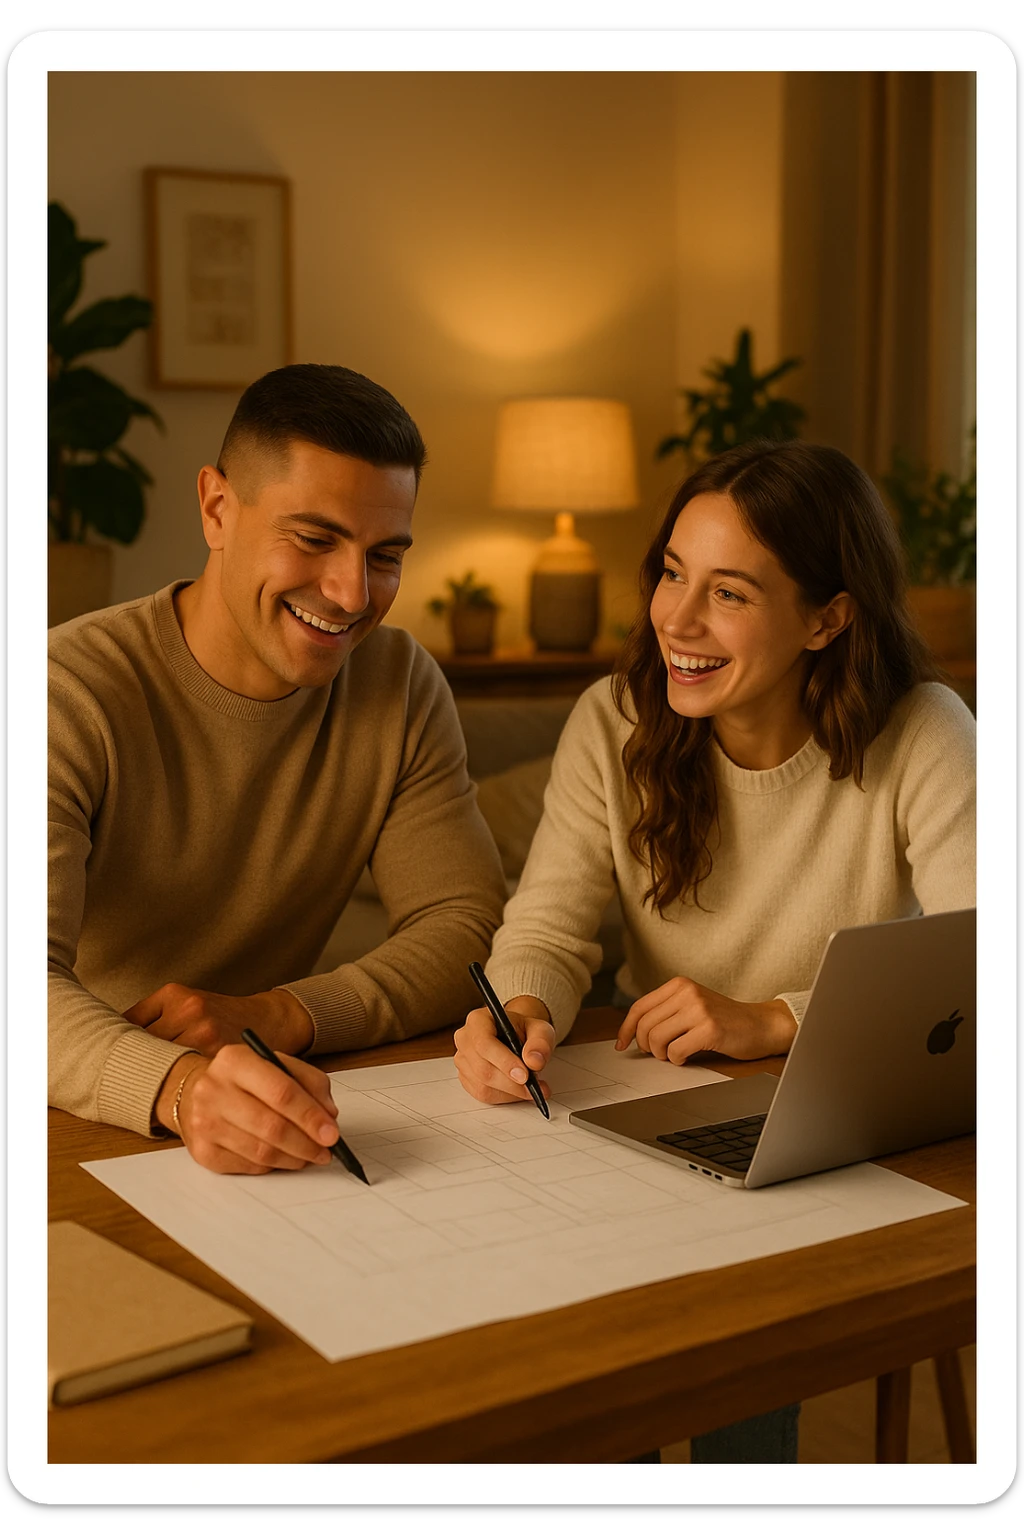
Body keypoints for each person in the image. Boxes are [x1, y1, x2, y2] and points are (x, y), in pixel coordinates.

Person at [452, 436, 976, 1462]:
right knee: (583, 1364)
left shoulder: (920, 731)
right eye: (671, 573)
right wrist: (519, 1009)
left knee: (734, 1358)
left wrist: (774, 1017)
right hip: (656, 1106)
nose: (676, 620)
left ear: (826, 617)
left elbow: (983, 961)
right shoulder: (613, 720)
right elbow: (551, 923)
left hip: (839, 1121)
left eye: (728, 593)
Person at [49, 363, 508, 1175]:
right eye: (315, 538)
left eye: (386, 554)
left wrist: (282, 1013)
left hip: (278, 1106)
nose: (351, 592)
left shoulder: (398, 683)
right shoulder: (65, 692)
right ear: (218, 508)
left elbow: (463, 930)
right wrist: (185, 1086)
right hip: (77, 1118)